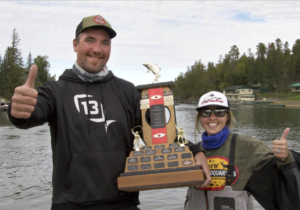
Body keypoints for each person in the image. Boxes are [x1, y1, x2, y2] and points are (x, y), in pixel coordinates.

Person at [8, 15, 210, 210]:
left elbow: (159, 132)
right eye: (90, 40)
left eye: (105, 43)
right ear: (75, 45)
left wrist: (195, 151)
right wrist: (17, 110)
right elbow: (30, 113)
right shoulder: (55, 90)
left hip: (123, 201)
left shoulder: (127, 91)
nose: (97, 49)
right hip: (70, 204)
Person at [184, 91, 294, 210]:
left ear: (227, 117)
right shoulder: (193, 151)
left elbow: (280, 175)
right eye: (206, 112)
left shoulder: (248, 145)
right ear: (200, 117)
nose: (212, 117)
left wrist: (285, 157)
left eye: (219, 112)